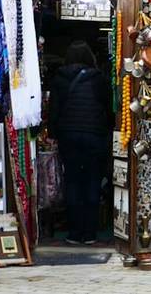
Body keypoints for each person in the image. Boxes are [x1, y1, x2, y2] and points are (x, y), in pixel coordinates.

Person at [48, 40, 111, 245]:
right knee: (93, 180)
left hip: (69, 135)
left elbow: (54, 109)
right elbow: (107, 107)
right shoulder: (99, 78)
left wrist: (53, 131)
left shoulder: (59, 78)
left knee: (73, 181)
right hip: (94, 135)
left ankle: (75, 232)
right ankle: (90, 233)